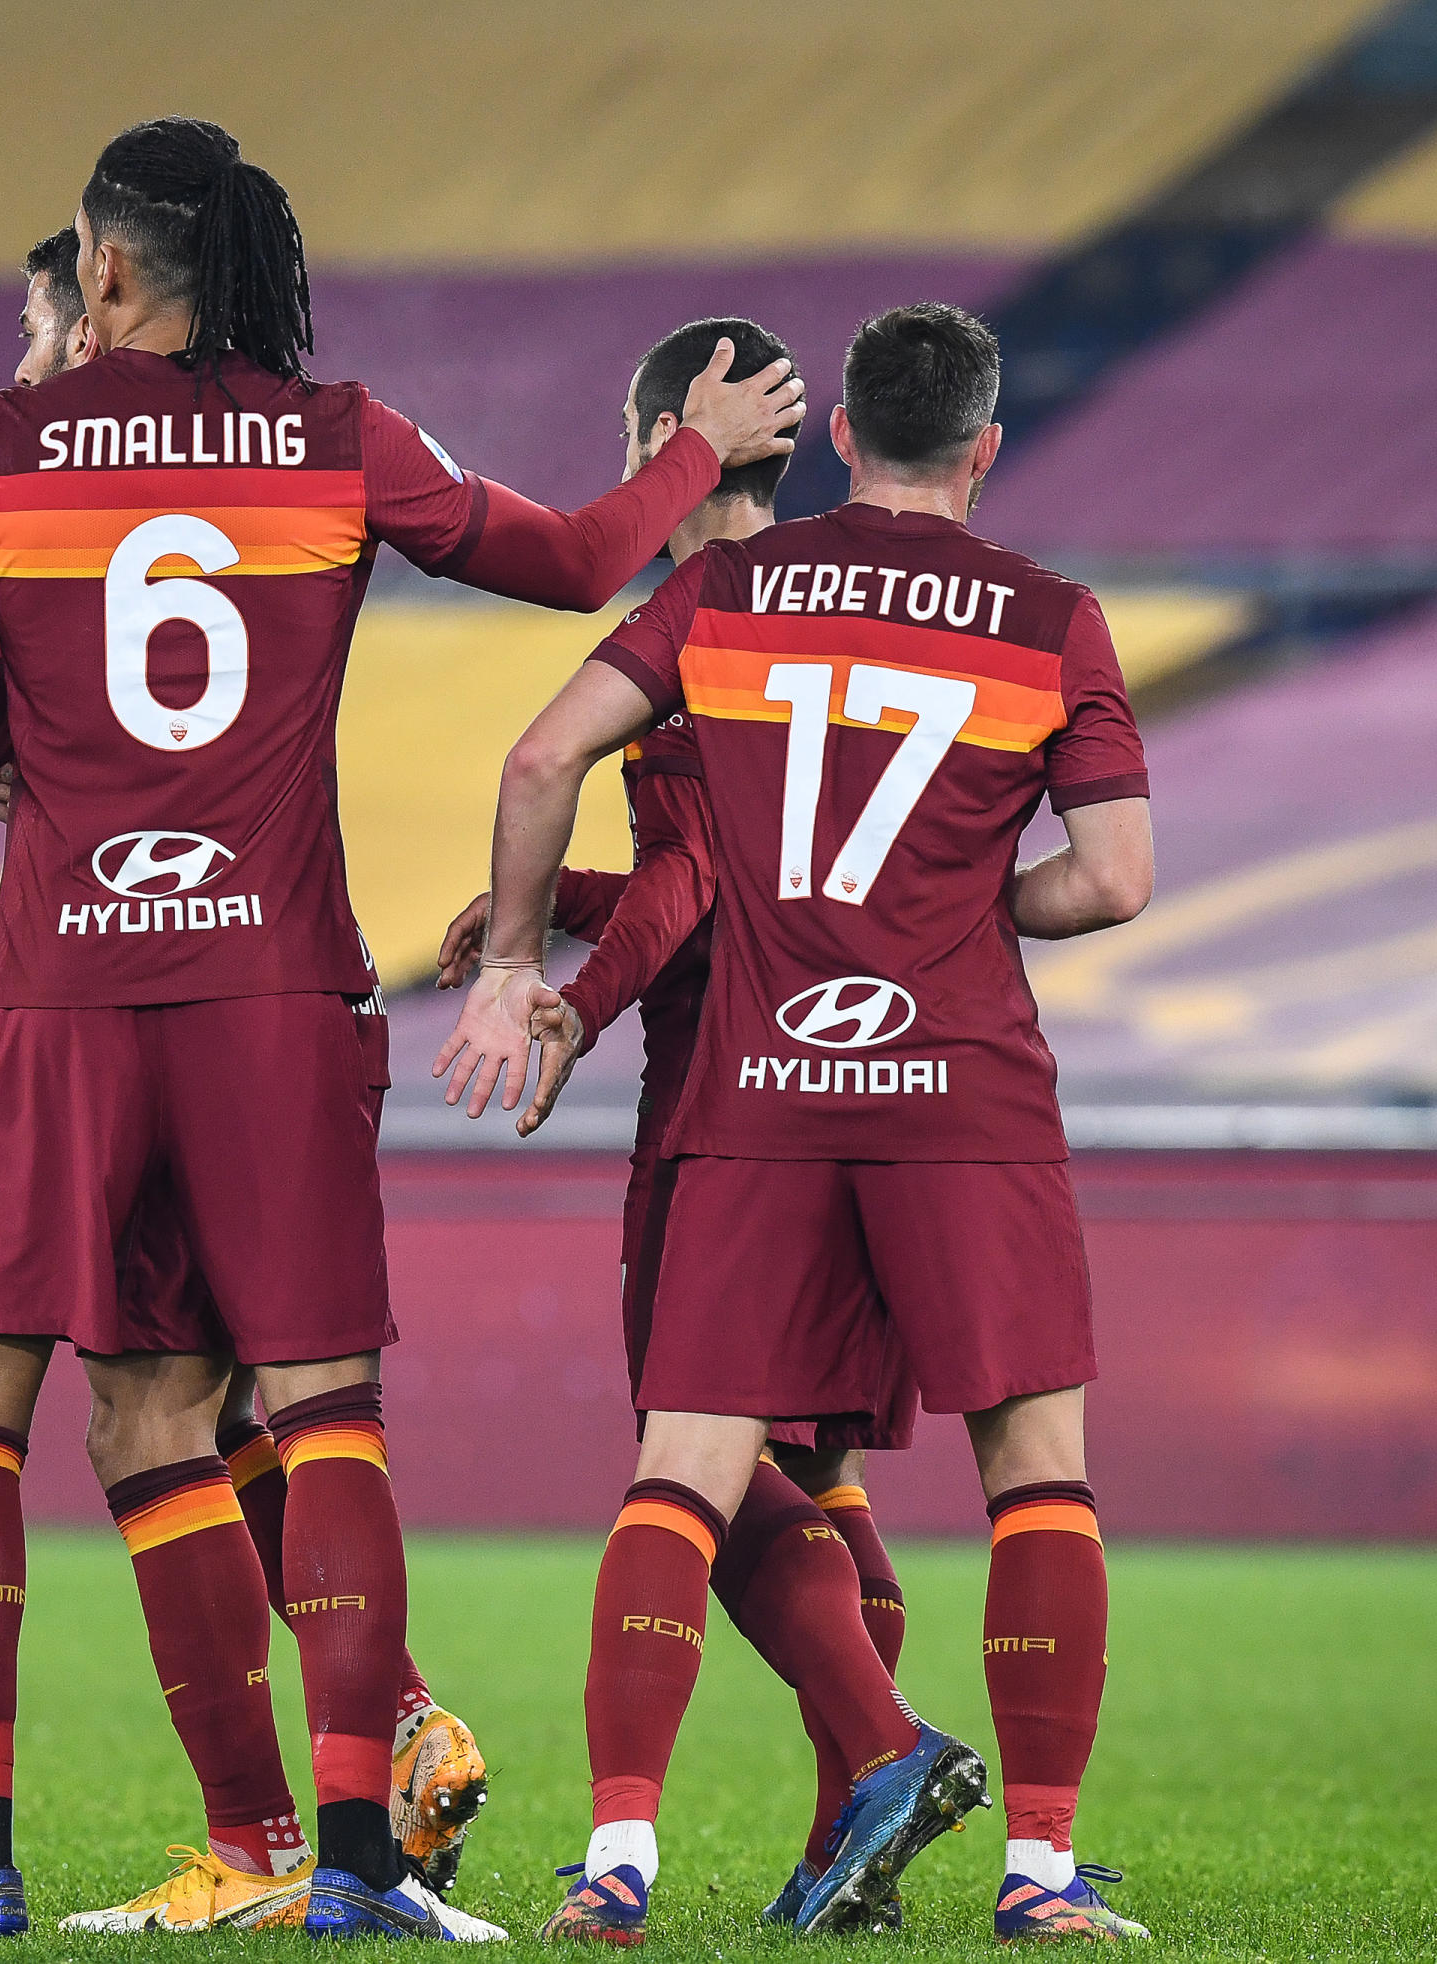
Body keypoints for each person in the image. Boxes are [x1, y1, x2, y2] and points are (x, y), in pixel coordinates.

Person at [0, 119, 805, 1942]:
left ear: (109, 270)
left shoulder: (2, 441)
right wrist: (701, 448)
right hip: (274, 991)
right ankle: (351, 1862)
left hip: (63, 991)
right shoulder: (338, 432)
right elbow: (580, 555)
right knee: (319, 1408)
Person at [435, 301, 1153, 1942]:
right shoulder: (1052, 617)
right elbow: (1114, 879)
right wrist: (962, 911)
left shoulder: (732, 591)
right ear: (983, 449)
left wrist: (518, 962)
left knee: (683, 1470)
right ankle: (1040, 1875)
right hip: (961, 1084)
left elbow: (541, 759)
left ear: (839, 434)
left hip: (758, 1086)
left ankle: (617, 1862)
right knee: (1034, 1473)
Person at [432, 315, 921, 1936]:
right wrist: (572, 900)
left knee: (686, 1467)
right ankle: (844, 1845)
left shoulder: (698, 612)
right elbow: (737, 863)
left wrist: (573, 992)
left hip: (729, 1097)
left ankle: (675, 1834)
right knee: (810, 1466)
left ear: (661, 439)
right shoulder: (860, 605)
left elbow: (698, 878)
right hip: (885, 1083)